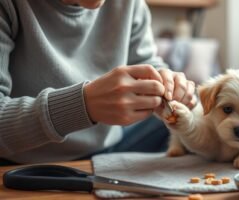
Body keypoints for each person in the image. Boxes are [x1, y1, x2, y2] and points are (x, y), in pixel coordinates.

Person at [0, 0, 197, 165]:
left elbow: (145, 62)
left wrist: (167, 81)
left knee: (199, 121)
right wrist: (83, 105)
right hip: (23, 161)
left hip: (111, 148)